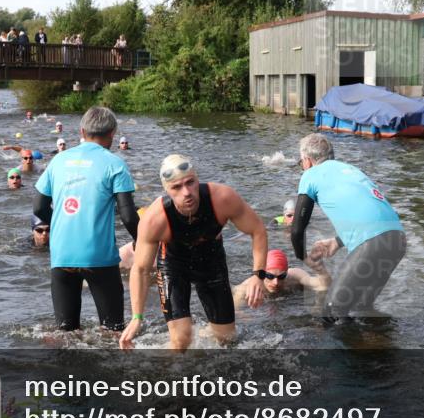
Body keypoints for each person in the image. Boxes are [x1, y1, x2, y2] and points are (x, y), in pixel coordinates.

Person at [118, 154, 268, 351]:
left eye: (190, 183)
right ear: (167, 191)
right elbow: (141, 269)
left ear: (197, 179)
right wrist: (136, 318)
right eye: (177, 187)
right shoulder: (155, 218)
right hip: (173, 266)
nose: (186, 192)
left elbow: (257, 231)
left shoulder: (222, 198)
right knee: (182, 341)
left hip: (211, 261)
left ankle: (207, 337)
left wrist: (258, 276)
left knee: (227, 340)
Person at [34, 106, 139, 332]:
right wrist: (142, 241)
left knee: (66, 332)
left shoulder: (59, 161)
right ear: (112, 133)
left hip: (62, 255)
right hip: (98, 257)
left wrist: (61, 225)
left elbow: (39, 207)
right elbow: (129, 216)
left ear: (82, 131)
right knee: (113, 331)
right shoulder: (115, 164)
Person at [292, 133, 406, 321]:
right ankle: (379, 344)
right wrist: (337, 241)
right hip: (398, 240)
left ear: (307, 160)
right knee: (362, 308)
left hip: (372, 243)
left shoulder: (310, 175)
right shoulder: (351, 170)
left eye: (301, 163)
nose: (302, 167)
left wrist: (303, 258)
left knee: (331, 312)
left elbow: (297, 230)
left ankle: (344, 350)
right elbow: (373, 215)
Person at [232, 248, 330, 308]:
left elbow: (323, 286)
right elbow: (233, 310)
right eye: (270, 276)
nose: (276, 282)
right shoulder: (247, 287)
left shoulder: (295, 276)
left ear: (287, 273)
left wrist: (320, 269)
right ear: (262, 273)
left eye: (282, 276)